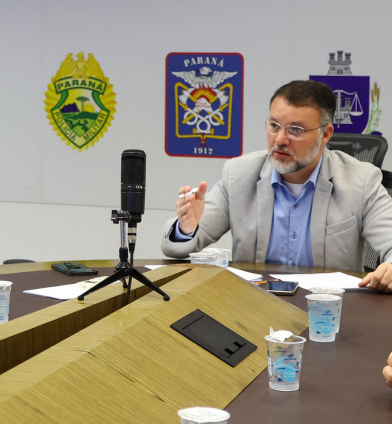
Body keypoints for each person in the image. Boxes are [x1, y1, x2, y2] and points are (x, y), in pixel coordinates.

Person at [161, 79, 392, 291]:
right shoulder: (239, 175)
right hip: (254, 307)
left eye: (295, 130)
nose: (280, 139)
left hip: (327, 310)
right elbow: (175, 248)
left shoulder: (361, 182)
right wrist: (187, 228)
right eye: (274, 126)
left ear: (325, 134)